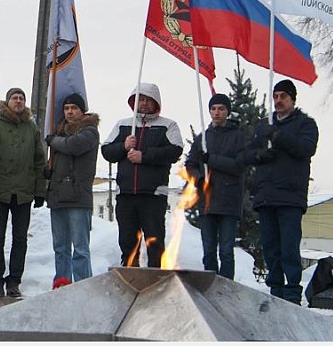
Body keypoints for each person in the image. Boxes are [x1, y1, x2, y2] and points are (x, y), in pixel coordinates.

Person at [244, 79, 318, 305]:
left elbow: (305, 149)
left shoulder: (305, 124)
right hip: (266, 196)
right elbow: (247, 155)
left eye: (283, 96)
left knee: (289, 247)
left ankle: (293, 293)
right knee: (271, 248)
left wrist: (276, 136)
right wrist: (260, 156)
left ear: (292, 99)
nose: (278, 101)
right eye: (275, 96)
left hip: (290, 196)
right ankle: (275, 291)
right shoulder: (264, 125)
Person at [101, 82, 183, 268]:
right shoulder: (123, 125)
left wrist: (144, 157)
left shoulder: (168, 125)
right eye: (141, 99)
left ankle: (155, 280)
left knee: (154, 242)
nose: (144, 104)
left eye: (148, 100)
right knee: (127, 241)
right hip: (126, 194)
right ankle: (130, 277)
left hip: (153, 195)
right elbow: (106, 151)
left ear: (156, 103)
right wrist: (123, 146)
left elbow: (174, 151)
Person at [0, 87, 45, 297]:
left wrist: (40, 190)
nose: (18, 101)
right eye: (14, 98)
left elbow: (39, 160)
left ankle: (14, 280)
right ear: (7, 102)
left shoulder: (32, 129)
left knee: (20, 239)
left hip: (23, 193)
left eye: (21, 98)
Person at [184, 93, 247, 279]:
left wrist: (212, 160)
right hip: (207, 201)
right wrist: (198, 179)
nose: (217, 112)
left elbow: (239, 166)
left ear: (227, 111)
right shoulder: (202, 138)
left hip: (229, 200)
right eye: (213, 109)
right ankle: (210, 288)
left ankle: (226, 288)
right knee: (209, 251)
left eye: (221, 109)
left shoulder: (238, 137)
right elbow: (190, 164)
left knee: (226, 251)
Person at [44, 93, 99, 285]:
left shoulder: (90, 131)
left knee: (80, 248)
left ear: (82, 111)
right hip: (58, 197)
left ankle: (84, 285)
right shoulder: (59, 132)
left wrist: (52, 141)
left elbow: (73, 146)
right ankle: (62, 282)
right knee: (60, 248)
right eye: (66, 109)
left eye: (73, 108)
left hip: (78, 198)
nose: (69, 112)